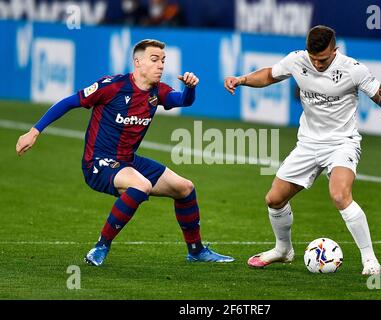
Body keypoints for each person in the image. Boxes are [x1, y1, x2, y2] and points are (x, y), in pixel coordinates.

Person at [224, 25, 381, 275]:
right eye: (314, 59)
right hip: (308, 143)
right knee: (274, 200)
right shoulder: (297, 60)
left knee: (340, 195)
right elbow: (268, 75)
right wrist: (241, 80)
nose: (318, 64)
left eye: (323, 59)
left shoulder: (353, 69)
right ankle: (283, 250)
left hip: (342, 143)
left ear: (335, 50)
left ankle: (370, 259)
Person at [16, 39, 234, 266]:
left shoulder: (157, 91)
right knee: (141, 185)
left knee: (185, 188)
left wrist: (190, 88)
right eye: (154, 59)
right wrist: (34, 131)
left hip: (128, 161)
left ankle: (196, 251)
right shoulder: (112, 86)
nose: (161, 65)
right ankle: (100, 247)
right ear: (138, 62)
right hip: (98, 162)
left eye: (163, 60)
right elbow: (69, 102)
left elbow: (183, 101)